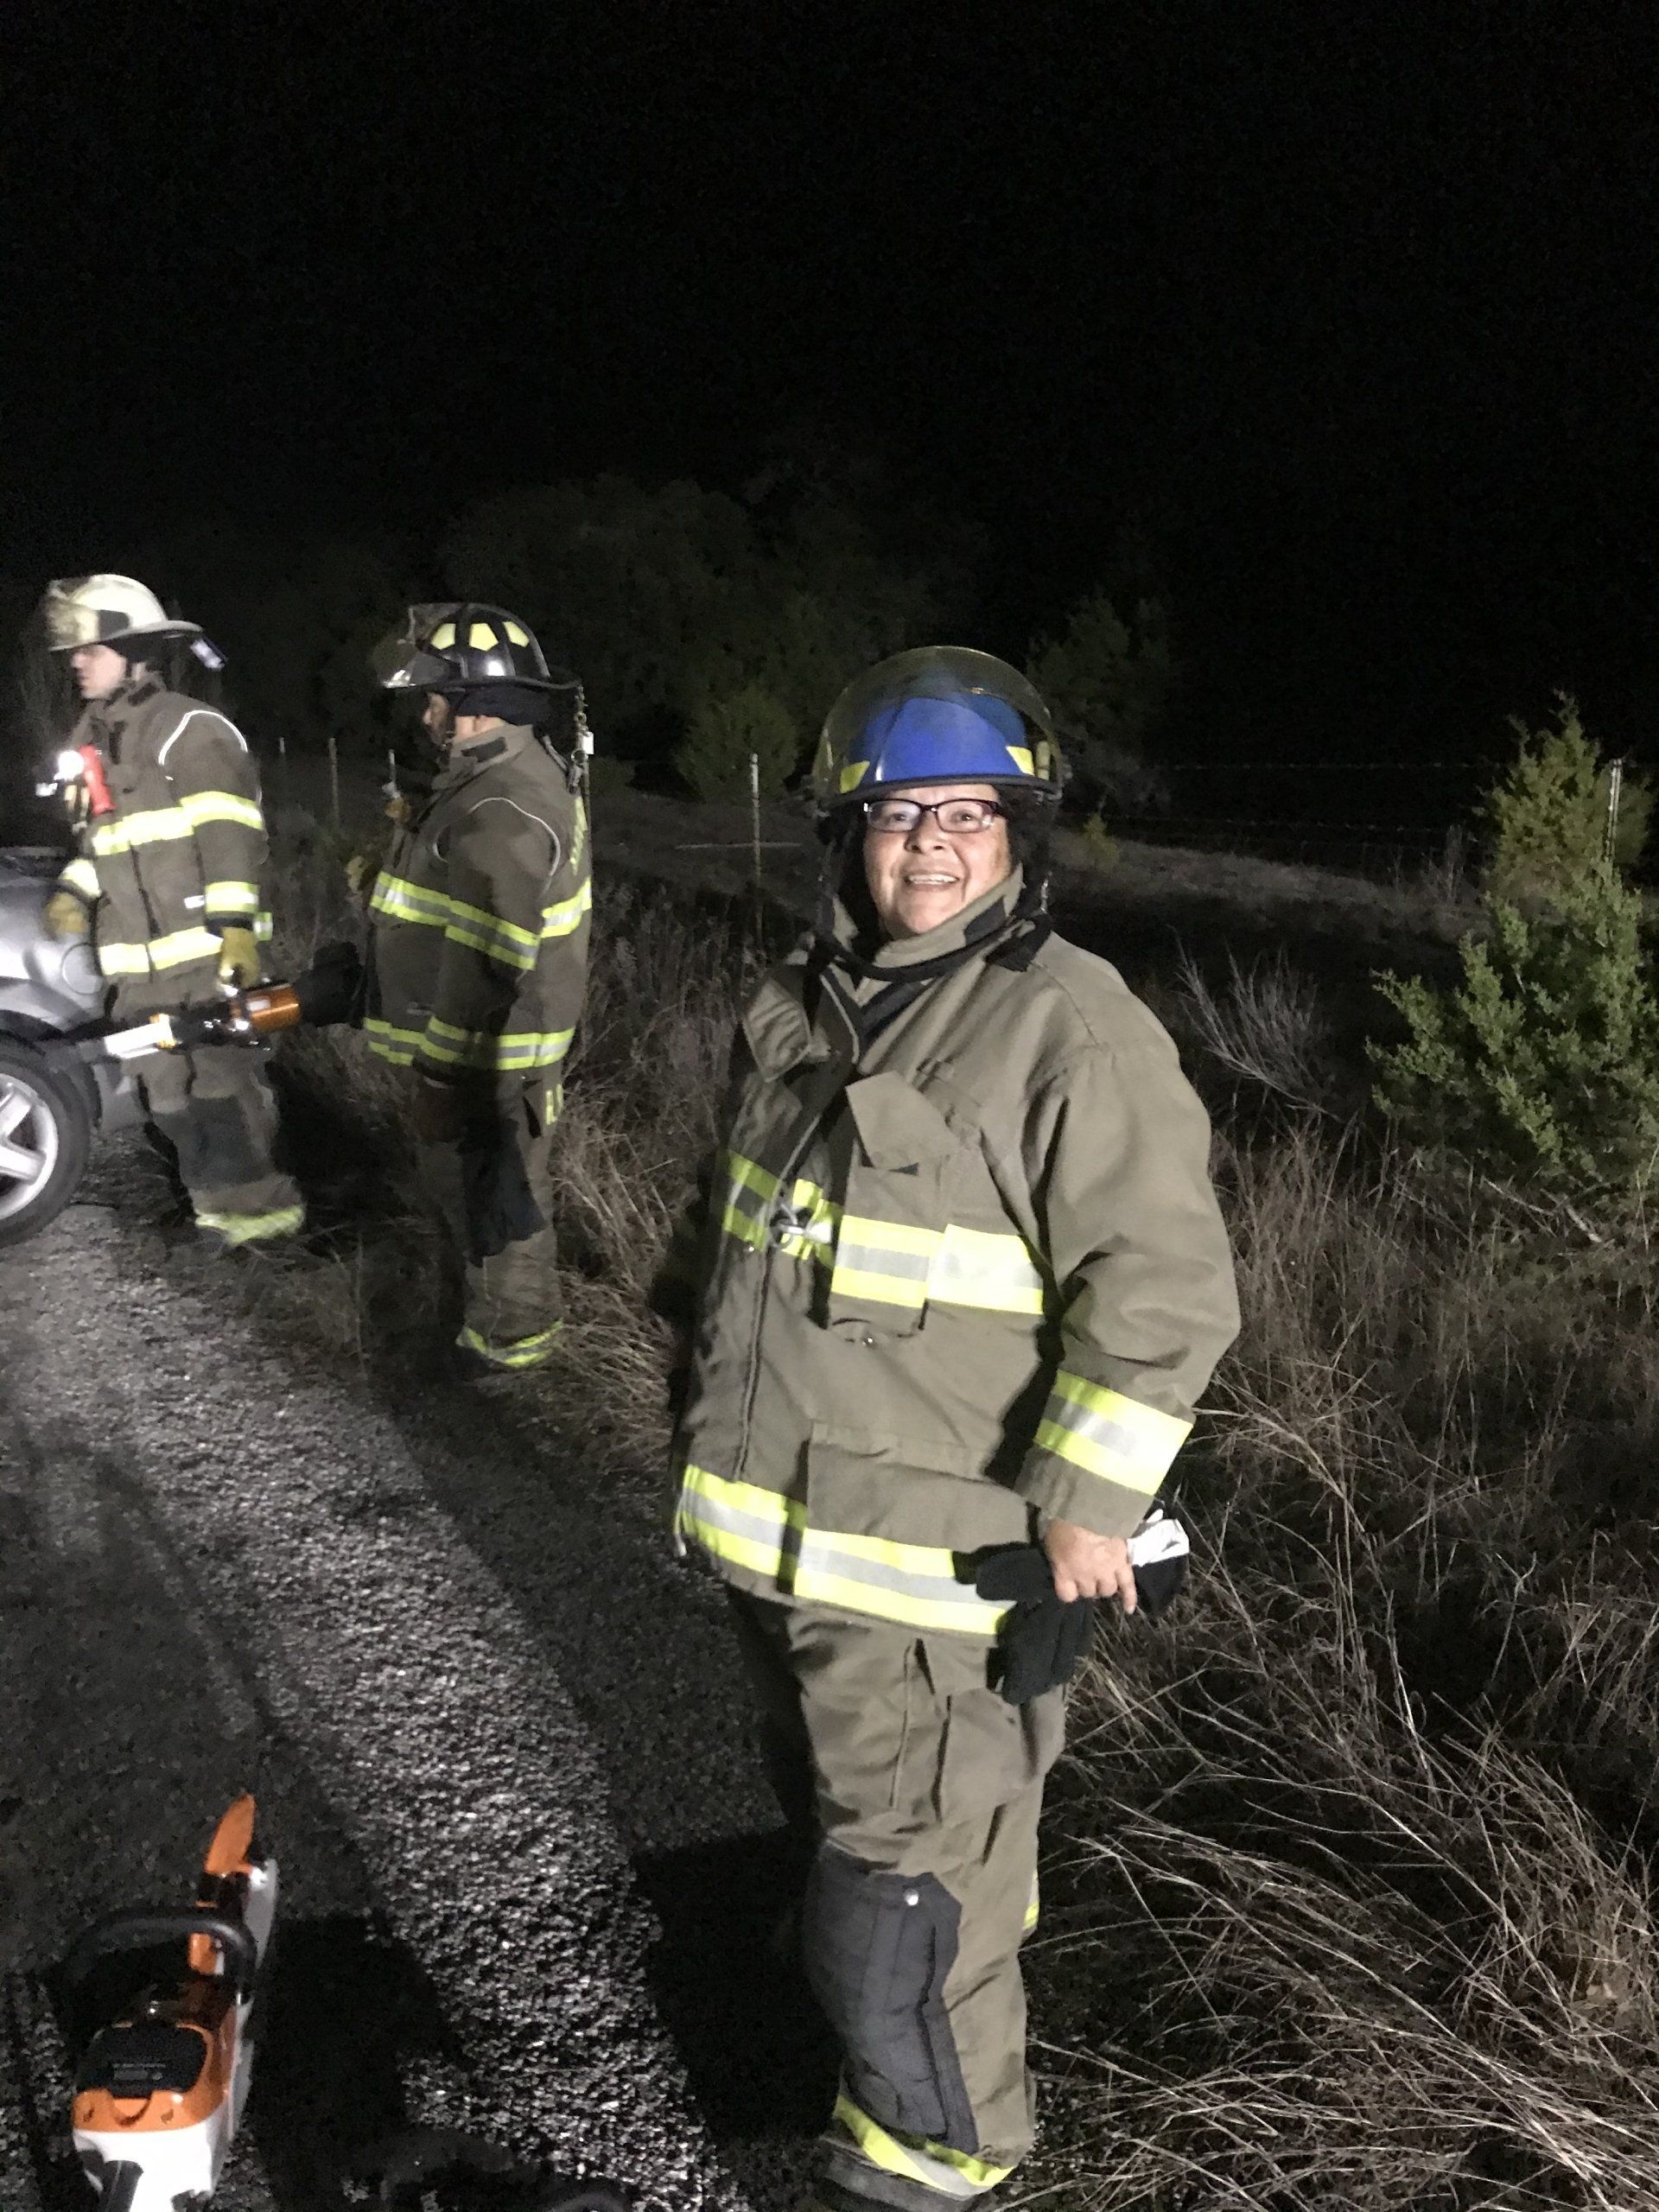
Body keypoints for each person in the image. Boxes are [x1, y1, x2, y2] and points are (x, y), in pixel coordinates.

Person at [657, 648, 1240, 2212]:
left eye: (967, 815)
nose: (929, 845)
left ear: (1019, 837)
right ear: (846, 832)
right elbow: (734, 1260)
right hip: (781, 1548)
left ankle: (940, 2155)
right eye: (897, 813)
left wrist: (1088, 1506)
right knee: (849, 1849)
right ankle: (866, 2048)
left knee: (908, 1894)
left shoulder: (1066, 1031)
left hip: (933, 1581)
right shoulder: (800, 1012)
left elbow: (1167, 1294)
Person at [40, 574, 304, 1250]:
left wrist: (237, 933)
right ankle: (216, 1215)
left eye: (90, 650)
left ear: (133, 654)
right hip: (139, 966)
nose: (76, 662)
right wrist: (75, 888)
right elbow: (103, 843)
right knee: (166, 1095)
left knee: (221, 1087)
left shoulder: (188, 728)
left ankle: (268, 1226)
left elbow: (230, 834)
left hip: (204, 956)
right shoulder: (94, 744)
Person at [365, 602, 592, 1376]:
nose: (425, 712)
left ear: (471, 705)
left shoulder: (499, 806)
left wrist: (443, 1074)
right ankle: (488, 1331)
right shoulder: (492, 783)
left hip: (492, 1062)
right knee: (480, 1197)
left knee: (499, 1208)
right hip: (488, 1055)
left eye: (435, 696)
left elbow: (489, 958)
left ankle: (512, 1356)